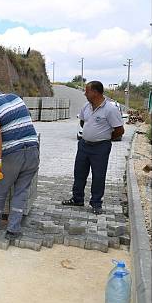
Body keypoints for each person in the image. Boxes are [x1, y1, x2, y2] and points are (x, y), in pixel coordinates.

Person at [0, 83, 40, 240]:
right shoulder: (15, 98)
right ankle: (13, 230)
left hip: (13, 154)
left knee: (0, 187)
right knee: (21, 191)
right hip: (33, 150)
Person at [62, 81, 124, 214]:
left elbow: (119, 130)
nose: (85, 94)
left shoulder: (110, 109)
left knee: (98, 176)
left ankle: (96, 203)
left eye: (87, 91)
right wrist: (90, 134)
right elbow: (83, 121)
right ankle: (77, 199)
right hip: (84, 145)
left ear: (95, 92)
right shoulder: (86, 106)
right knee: (79, 173)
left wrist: (104, 138)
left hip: (101, 148)